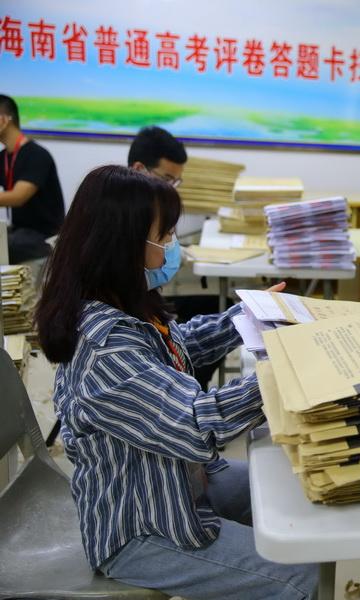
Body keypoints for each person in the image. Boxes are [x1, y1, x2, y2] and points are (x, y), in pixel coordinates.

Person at [35, 166, 317, 599]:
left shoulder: (122, 305)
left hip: (183, 484)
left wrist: (247, 317)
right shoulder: (105, 350)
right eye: (164, 235)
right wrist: (284, 370)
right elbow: (197, 425)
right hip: (144, 528)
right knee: (302, 577)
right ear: (123, 243)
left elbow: (180, 345)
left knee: (298, 488)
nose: (171, 246)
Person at [127, 125, 227, 391]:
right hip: (139, 316)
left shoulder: (150, 206)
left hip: (147, 310)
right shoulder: (126, 217)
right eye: (167, 179)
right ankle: (190, 383)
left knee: (220, 310)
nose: (172, 188)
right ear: (139, 169)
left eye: (176, 182)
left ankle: (190, 381)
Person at [0, 94, 65, 263]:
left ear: (4, 120)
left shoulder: (36, 155)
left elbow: (18, 197)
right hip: (19, 231)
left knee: (7, 244)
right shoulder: (3, 156)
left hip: (44, 235)